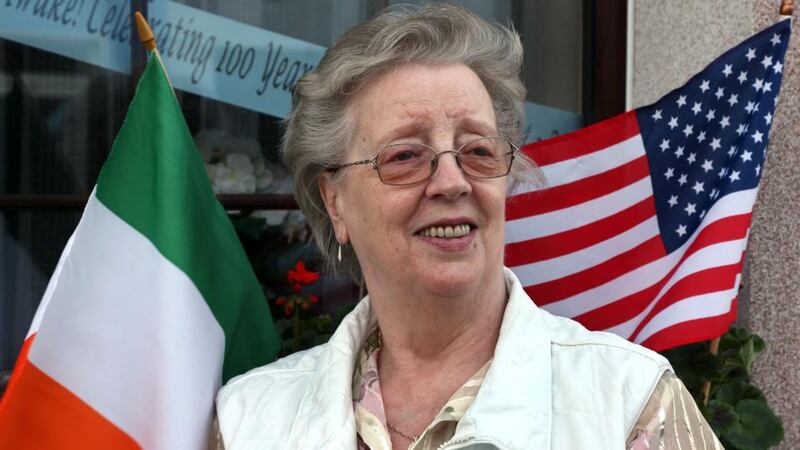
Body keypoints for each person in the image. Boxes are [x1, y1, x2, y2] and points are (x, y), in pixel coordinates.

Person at [215, 4, 722, 449]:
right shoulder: (247, 420)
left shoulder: (630, 402)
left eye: (478, 151)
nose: (452, 182)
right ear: (335, 203)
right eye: (406, 156)